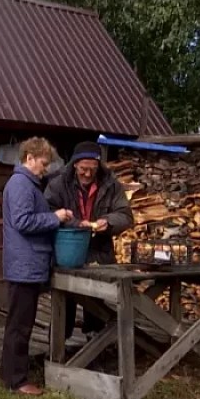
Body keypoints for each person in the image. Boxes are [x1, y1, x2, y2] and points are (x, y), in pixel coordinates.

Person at [0, 137, 74, 396]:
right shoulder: (21, 184)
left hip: (26, 263)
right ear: (29, 158)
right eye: (43, 163)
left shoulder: (26, 183)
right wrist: (54, 217)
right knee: (20, 326)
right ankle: (17, 380)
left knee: (18, 323)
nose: (46, 168)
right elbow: (23, 221)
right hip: (24, 265)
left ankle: (9, 374)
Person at [44, 141, 134, 340]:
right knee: (64, 306)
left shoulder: (111, 184)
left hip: (99, 253)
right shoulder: (58, 184)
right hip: (67, 253)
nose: (87, 174)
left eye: (92, 169)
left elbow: (125, 215)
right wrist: (76, 224)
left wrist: (108, 222)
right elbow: (47, 213)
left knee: (96, 307)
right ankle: (55, 349)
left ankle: (95, 348)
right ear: (75, 164)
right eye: (83, 169)